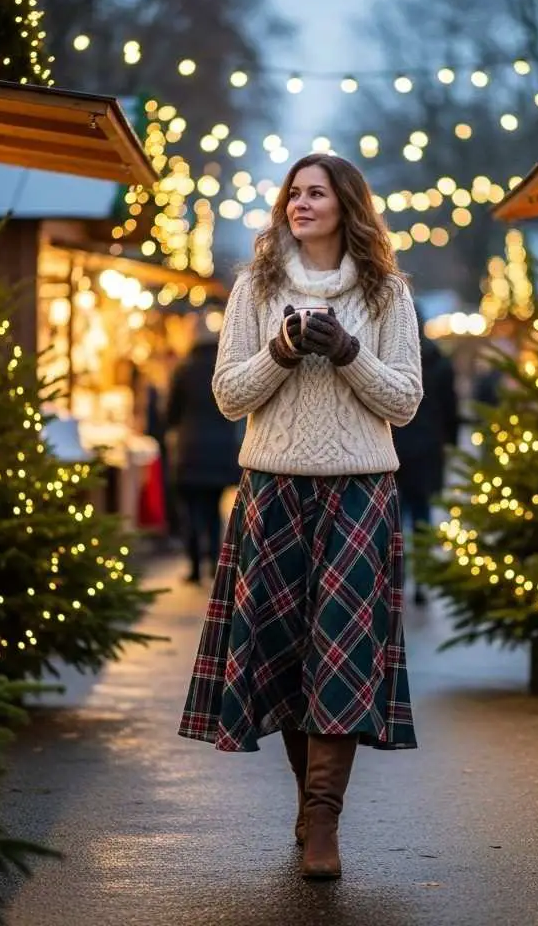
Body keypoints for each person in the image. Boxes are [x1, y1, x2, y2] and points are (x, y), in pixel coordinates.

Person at [178, 153, 423, 881]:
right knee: (285, 653)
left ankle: (324, 821)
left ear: (347, 205)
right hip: (273, 487)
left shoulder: (387, 295)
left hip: (357, 489)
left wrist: (347, 351)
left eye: (316, 193)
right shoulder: (256, 287)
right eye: (293, 192)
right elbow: (228, 395)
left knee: (341, 651)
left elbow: (404, 402)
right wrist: (283, 350)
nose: (300, 203)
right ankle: (305, 798)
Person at [166, 312, 240, 583]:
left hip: (190, 451)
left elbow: (170, 414)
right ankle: (214, 563)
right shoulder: (223, 369)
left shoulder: (183, 370)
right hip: (221, 451)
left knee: (192, 511)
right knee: (214, 509)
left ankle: (195, 565)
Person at [392, 312, 459, 605]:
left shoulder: (393, 358)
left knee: (396, 519)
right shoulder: (440, 362)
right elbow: (450, 408)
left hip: (394, 450)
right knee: (422, 518)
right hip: (428, 451)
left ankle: (398, 579)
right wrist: (451, 444)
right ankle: (421, 580)